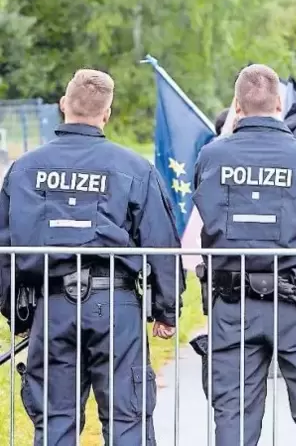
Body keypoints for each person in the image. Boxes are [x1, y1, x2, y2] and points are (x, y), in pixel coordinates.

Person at [0, 69, 182, 445]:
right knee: (127, 419)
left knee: (54, 422)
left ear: (63, 105)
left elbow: (4, 248)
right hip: (116, 306)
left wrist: (15, 312)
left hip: (51, 308)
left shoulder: (24, 169)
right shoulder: (134, 168)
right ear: (107, 113)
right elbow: (162, 243)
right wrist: (166, 310)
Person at [192, 64, 296, 445]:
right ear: (280, 104)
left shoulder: (212, 156)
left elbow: (205, 217)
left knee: (234, 412)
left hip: (233, 301)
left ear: (237, 105)